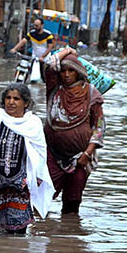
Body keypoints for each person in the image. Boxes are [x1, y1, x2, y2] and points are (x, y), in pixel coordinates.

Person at [0, 83, 55, 233]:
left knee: (16, 236)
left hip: (18, 187)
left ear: (26, 103)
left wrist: (35, 181)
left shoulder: (33, 124)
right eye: (8, 98)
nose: (11, 102)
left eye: (16, 99)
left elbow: (40, 155)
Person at [43, 47, 105, 215]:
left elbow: (99, 127)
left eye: (71, 70)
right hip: (52, 154)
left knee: (72, 202)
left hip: (80, 157)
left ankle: (68, 235)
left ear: (78, 72)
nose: (67, 75)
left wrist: (87, 153)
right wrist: (68, 50)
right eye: (63, 71)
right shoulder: (54, 89)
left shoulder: (91, 93)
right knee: (41, 196)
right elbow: (49, 64)